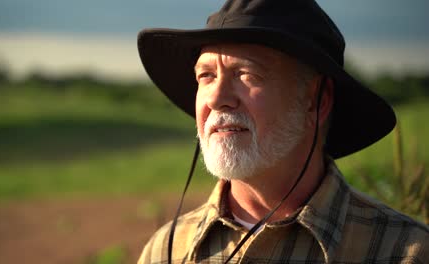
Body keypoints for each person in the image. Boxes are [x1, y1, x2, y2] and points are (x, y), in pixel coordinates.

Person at [137, 0, 428, 263]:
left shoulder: (404, 252)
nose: (215, 98)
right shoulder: (166, 251)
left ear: (316, 100)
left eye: (246, 74)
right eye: (207, 76)